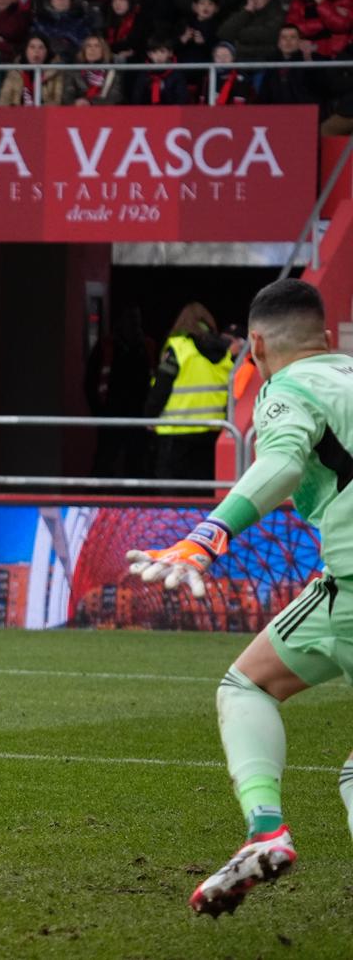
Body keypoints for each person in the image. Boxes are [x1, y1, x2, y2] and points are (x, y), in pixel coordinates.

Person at [123, 279, 353, 917]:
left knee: (244, 686)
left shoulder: (288, 386)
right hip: (341, 589)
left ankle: (268, 828)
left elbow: (281, 460)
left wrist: (208, 534)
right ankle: (264, 835)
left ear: (254, 345)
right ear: (327, 334)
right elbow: (317, 469)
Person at [145, 300, 235, 485]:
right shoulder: (225, 352)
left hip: (176, 432)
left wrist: (150, 416)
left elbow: (162, 387)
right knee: (203, 489)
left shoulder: (179, 348)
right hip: (211, 433)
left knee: (173, 493)